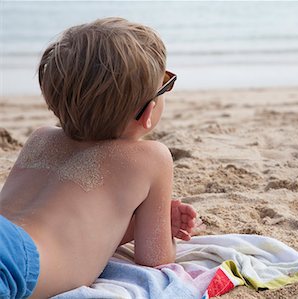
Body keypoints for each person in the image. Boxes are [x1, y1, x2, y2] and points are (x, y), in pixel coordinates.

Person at [0, 17, 197, 298]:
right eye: (166, 84)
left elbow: (60, 229)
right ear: (148, 112)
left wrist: (130, 227)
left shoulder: (40, 139)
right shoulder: (152, 158)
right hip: (16, 262)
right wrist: (162, 229)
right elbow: (156, 260)